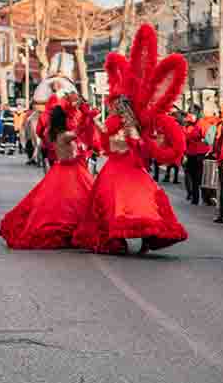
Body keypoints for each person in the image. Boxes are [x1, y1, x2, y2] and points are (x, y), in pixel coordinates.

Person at [72, 24, 189, 255]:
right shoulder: (119, 126)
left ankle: (137, 239)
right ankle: (130, 240)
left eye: (118, 108)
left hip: (125, 168)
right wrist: (87, 112)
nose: (115, 109)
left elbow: (134, 142)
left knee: (124, 203)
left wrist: (92, 116)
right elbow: (104, 131)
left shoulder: (130, 128)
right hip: (124, 168)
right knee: (125, 203)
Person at [0, 96, 99, 249]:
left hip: (62, 169)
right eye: (67, 117)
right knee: (75, 202)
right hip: (70, 170)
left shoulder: (52, 133)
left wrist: (79, 110)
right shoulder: (64, 135)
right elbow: (81, 130)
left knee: (61, 203)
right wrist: (87, 114)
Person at [183, 114, 209, 205]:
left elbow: (186, 138)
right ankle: (204, 198)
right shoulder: (204, 124)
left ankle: (195, 198)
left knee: (194, 178)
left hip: (193, 154)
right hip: (202, 154)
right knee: (202, 177)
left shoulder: (191, 128)